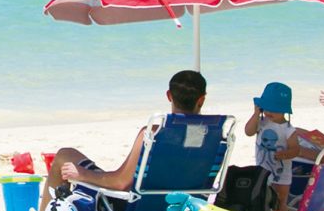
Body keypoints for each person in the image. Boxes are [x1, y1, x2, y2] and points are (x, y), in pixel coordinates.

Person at [45, 70, 206, 201]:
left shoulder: (152, 134)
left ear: (169, 96)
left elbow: (121, 183)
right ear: (202, 99)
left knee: (65, 155)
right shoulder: (208, 136)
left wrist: (82, 174)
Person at [241, 82, 324, 211]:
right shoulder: (262, 122)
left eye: (274, 110)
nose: (269, 113)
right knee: (263, 197)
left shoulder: (288, 129)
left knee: (281, 201)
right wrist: (256, 113)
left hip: (282, 173)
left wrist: (286, 154)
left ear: (284, 111)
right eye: (267, 108)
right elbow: (248, 132)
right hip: (262, 170)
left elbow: (296, 149)